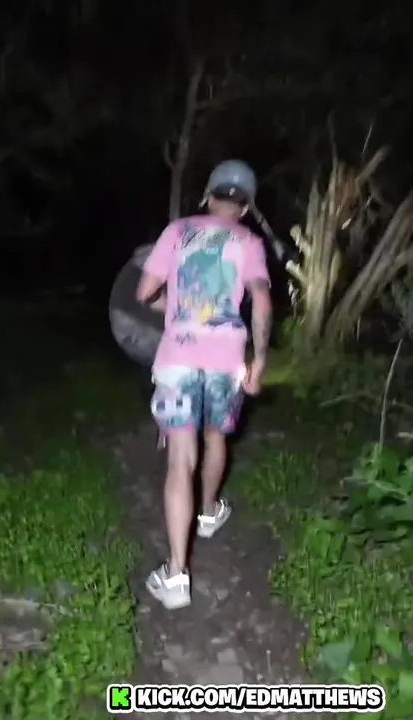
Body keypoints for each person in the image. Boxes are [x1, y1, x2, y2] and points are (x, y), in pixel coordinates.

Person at [133, 159, 273, 610]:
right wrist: (259, 362)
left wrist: (174, 306)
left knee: (180, 460)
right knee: (216, 437)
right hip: (225, 361)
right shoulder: (249, 242)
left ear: (208, 195)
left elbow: (144, 292)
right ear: (245, 207)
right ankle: (208, 512)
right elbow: (262, 299)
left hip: (178, 358)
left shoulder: (177, 232)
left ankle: (176, 576)